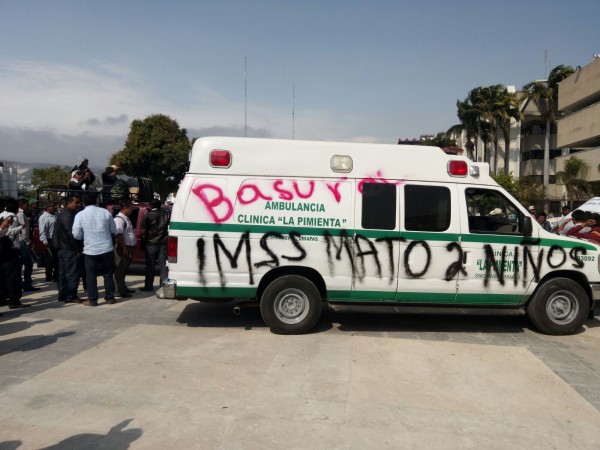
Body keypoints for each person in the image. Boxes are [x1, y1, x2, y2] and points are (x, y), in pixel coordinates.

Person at [72, 192, 117, 306]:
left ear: (83, 203)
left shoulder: (80, 215)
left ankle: (92, 300)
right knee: (108, 274)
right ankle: (110, 297)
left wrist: (85, 236)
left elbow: (76, 234)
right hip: (106, 248)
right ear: (96, 201)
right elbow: (113, 229)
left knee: (91, 275)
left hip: (90, 250)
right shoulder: (105, 212)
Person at [0, 197, 31, 309]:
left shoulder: (1, 215)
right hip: (11, 249)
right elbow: (7, 232)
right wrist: (20, 228)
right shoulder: (12, 217)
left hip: (3, 249)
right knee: (13, 276)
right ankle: (14, 300)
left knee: (3, 275)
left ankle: (3, 298)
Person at [53, 194, 83, 303]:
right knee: (71, 273)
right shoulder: (68, 215)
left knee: (63, 273)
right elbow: (71, 234)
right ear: (70, 202)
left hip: (62, 247)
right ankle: (71, 295)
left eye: (79, 203)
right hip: (68, 248)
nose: (78, 205)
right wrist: (77, 249)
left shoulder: (63, 214)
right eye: (76, 202)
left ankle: (63, 294)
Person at [140, 199, 170, 292]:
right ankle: (164, 286)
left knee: (150, 266)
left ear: (150, 205)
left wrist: (143, 241)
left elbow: (143, 230)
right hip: (163, 243)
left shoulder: (148, 215)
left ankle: (148, 286)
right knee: (163, 265)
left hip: (151, 243)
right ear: (160, 205)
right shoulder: (167, 214)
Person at [113, 200, 136, 299]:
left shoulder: (126, 218)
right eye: (131, 208)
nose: (132, 210)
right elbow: (119, 234)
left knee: (125, 269)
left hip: (129, 247)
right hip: (123, 248)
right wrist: (124, 248)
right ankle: (118, 291)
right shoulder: (119, 219)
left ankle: (123, 287)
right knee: (119, 270)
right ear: (125, 208)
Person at [17, 198, 39, 292]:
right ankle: (27, 283)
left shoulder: (17, 213)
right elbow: (23, 229)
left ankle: (21, 282)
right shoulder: (21, 214)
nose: (28, 206)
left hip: (20, 241)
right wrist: (27, 241)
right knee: (28, 263)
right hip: (23, 241)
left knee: (21, 264)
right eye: (26, 204)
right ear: (22, 205)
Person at [38, 202, 59, 282]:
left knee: (57, 260)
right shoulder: (43, 217)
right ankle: (48, 276)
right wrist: (44, 241)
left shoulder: (56, 215)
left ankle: (56, 276)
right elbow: (42, 231)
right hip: (49, 240)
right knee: (50, 260)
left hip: (57, 240)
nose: (55, 207)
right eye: (53, 206)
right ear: (47, 207)